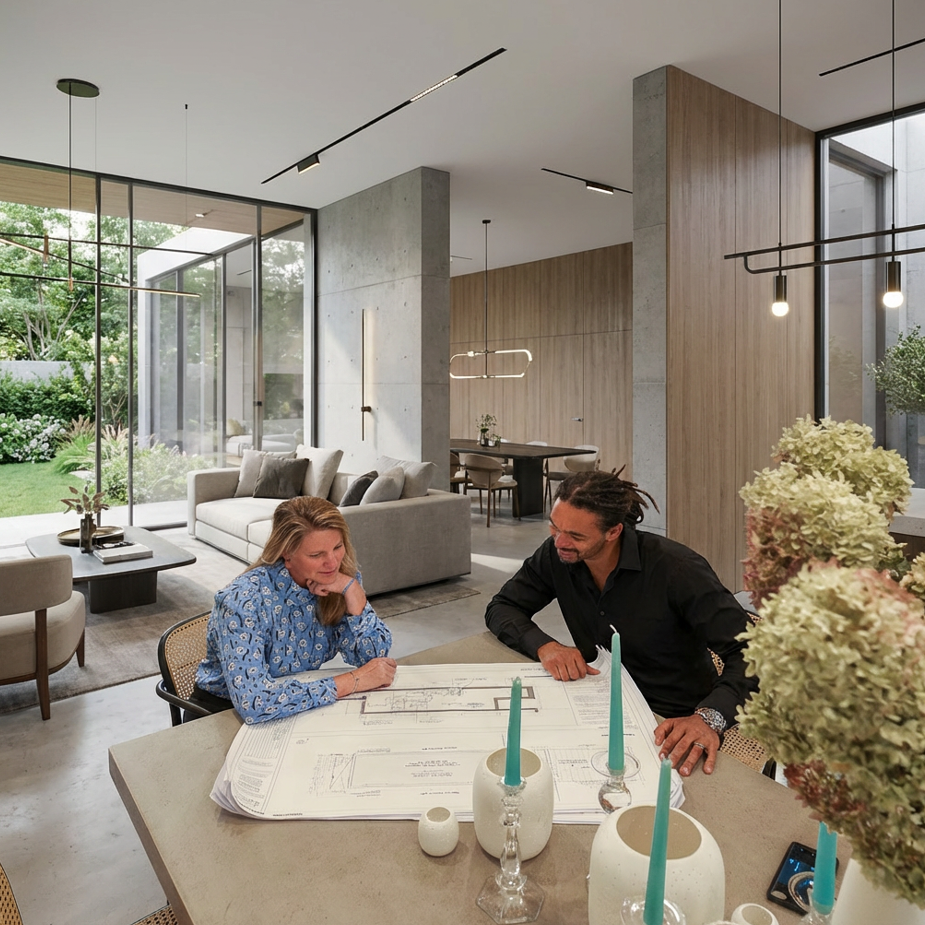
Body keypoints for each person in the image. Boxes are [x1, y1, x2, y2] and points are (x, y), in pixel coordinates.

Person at [485, 470, 758, 777]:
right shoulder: (556, 554)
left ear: (613, 532)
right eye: (555, 527)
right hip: (595, 700)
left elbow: (754, 654)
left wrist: (708, 718)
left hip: (670, 718)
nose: (560, 542)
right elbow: (503, 607)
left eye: (576, 535)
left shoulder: (678, 571)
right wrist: (546, 646)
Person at [193, 496, 396, 724]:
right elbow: (255, 703)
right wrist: (353, 681)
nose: (332, 562)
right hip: (222, 714)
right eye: (316, 555)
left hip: (295, 704)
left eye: (337, 547)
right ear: (286, 554)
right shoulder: (242, 601)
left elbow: (375, 661)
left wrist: (354, 592)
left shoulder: (339, 581)